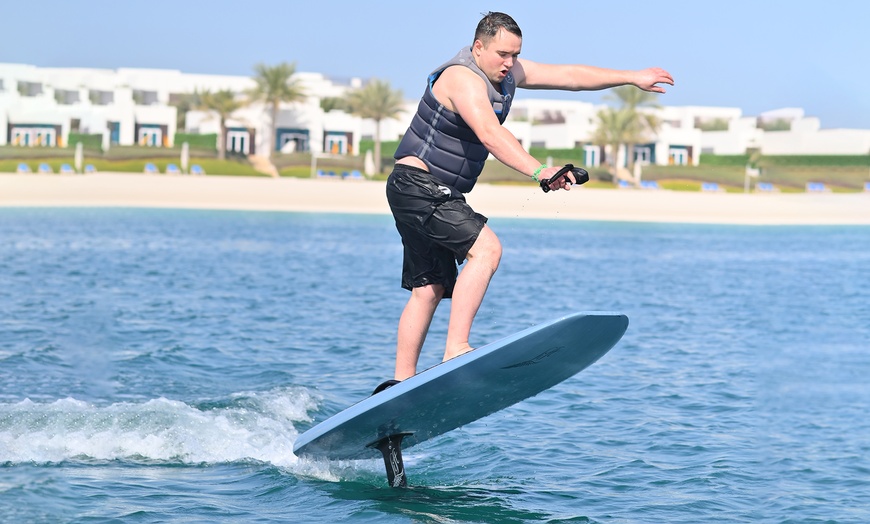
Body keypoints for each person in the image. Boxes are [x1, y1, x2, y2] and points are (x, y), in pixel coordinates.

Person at [384, 11, 673, 383]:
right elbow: (489, 133)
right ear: (478, 46)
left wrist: (631, 77)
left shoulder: (508, 73)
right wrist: (540, 171)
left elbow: (570, 77)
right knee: (486, 250)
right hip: (418, 185)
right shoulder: (462, 78)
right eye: (503, 54)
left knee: (429, 289)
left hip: (425, 190)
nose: (510, 63)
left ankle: (399, 385)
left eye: (515, 55)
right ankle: (456, 348)